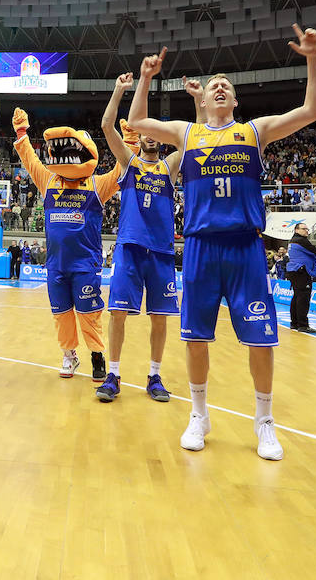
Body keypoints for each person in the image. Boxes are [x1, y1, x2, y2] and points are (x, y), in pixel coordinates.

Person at [128, 25, 316, 460]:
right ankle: (199, 414)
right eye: (214, 84)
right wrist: (145, 77)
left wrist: (312, 57)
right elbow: (138, 122)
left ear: (235, 101)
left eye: (226, 86)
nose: (219, 86)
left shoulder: (255, 131)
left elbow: (313, 109)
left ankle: (265, 422)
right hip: (199, 246)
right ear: (204, 99)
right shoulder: (187, 133)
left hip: (244, 248)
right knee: (196, 338)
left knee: (260, 339)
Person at [96, 73, 189, 403]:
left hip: (162, 252)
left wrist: (197, 100)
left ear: (160, 139)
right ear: (139, 138)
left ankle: (154, 375)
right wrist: (119, 90)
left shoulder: (170, 167)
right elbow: (108, 126)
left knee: (160, 318)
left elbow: (196, 139)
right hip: (130, 248)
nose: (150, 137)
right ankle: (114, 374)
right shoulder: (129, 163)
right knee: (117, 313)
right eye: (145, 132)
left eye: (155, 133)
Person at [13, 106, 122, 384]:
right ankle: (69, 354)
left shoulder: (98, 185)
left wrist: (130, 143)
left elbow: (122, 169)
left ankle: (97, 354)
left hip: (85, 265)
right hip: (56, 265)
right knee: (61, 314)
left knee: (89, 312)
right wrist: (22, 134)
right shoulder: (48, 181)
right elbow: (30, 160)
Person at [284, 222, 316, 334]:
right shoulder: (301, 240)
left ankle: (294, 323)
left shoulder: (292, 241)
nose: (306, 231)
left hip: (294, 271)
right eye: (304, 229)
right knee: (303, 299)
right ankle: (303, 325)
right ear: (296, 230)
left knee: (296, 297)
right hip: (301, 272)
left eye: (307, 229)